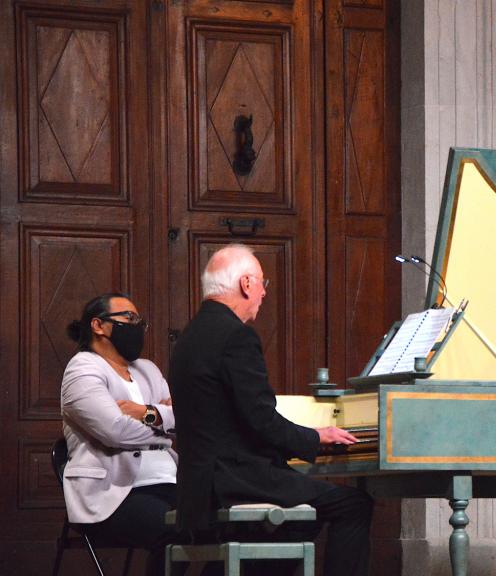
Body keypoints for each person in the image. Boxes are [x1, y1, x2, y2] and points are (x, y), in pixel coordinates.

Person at [169, 243, 373, 576]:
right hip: (234, 479)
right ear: (246, 284)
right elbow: (260, 420)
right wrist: (316, 437)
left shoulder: (189, 336)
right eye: (263, 284)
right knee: (353, 505)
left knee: (295, 524)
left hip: (198, 483)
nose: (264, 293)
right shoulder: (236, 336)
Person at [61, 293, 177, 576]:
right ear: (98, 325)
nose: (137, 326)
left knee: (228, 524)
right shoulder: (82, 369)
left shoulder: (148, 369)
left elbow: (187, 419)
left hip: (172, 483)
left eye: (140, 321)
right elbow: (114, 431)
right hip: (116, 494)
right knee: (174, 529)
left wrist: (146, 413)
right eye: (129, 318)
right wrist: (164, 430)